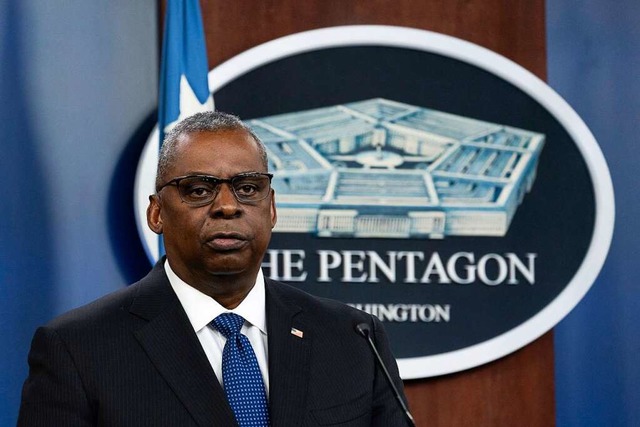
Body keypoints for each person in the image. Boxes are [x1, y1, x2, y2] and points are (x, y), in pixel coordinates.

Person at [18, 111, 410, 426]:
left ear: (271, 208)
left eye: (248, 188)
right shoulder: (78, 348)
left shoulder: (354, 339)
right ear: (157, 213)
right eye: (199, 190)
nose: (227, 206)